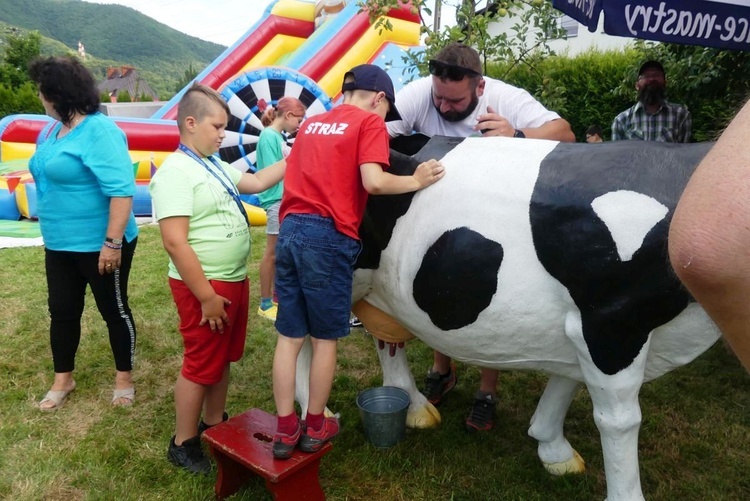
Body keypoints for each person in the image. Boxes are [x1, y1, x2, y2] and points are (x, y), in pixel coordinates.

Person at [387, 42, 575, 432]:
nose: (443, 107)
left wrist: (517, 135)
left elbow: (566, 135)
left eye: (455, 101)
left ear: (480, 87)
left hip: (496, 217)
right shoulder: (423, 92)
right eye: (439, 97)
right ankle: (442, 369)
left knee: (486, 294)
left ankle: (487, 391)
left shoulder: (507, 96)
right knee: (438, 284)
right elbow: (378, 131)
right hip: (437, 212)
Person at [271, 64, 445, 459]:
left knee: (289, 337)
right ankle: (315, 423)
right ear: (378, 98)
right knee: (325, 337)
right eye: (386, 111)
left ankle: (285, 428)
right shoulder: (368, 124)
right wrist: (416, 180)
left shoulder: (312, 124)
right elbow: (374, 182)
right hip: (328, 238)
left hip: (291, 231)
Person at [150, 83, 286, 474]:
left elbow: (258, 184)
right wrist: (207, 297)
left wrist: (298, 156)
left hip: (231, 281)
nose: (222, 133)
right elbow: (175, 243)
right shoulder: (176, 172)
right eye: (217, 126)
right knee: (200, 363)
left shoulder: (210, 163)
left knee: (222, 357)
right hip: (205, 287)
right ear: (190, 123)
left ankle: (214, 423)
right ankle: (183, 441)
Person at [28, 56, 138, 411]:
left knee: (113, 310)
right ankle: (64, 379)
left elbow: (121, 190)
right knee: (61, 310)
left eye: (41, 90)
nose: (39, 96)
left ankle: (124, 379)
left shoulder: (99, 131)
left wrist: (111, 243)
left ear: (56, 92)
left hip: (100, 242)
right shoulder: (49, 131)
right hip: (59, 242)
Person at [669, 99, 750, 373]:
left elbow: (708, 250)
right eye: (645, 77)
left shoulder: (679, 112)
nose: (651, 81)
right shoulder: (626, 118)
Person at [255, 97, 307, 322]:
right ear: (287, 116)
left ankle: (276, 298)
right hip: (276, 200)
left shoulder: (277, 137)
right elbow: (272, 174)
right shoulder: (268, 136)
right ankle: (265, 303)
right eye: (298, 119)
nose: (299, 124)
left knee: (281, 253)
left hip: (282, 199)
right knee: (272, 253)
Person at [611, 60, 691, 142]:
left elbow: (685, 153)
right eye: (646, 76)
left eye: (657, 75)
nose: (652, 79)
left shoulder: (681, 115)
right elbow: (617, 154)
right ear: (637, 85)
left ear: (665, 83)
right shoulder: (621, 121)